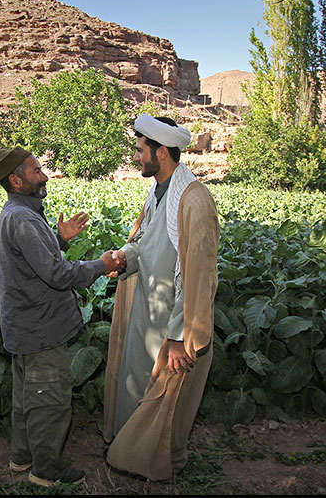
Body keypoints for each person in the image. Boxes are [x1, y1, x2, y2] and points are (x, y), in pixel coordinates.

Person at [0, 146, 125, 487]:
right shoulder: (22, 219)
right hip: (40, 328)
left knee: (26, 399)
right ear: (16, 180)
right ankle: (46, 473)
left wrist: (59, 239)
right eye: (36, 171)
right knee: (49, 403)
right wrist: (101, 265)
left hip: (24, 327)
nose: (44, 176)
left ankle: (22, 460)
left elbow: (32, 262)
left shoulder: (19, 214)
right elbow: (57, 275)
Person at [102, 114, 220, 481]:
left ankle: (148, 460)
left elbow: (199, 276)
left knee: (163, 395)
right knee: (135, 384)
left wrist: (178, 336)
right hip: (146, 312)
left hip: (171, 324)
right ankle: (129, 450)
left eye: (140, 150)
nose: (136, 157)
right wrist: (124, 258)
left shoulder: (194, 201)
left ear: (162, 153)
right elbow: (146, 243)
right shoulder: (157, 193)